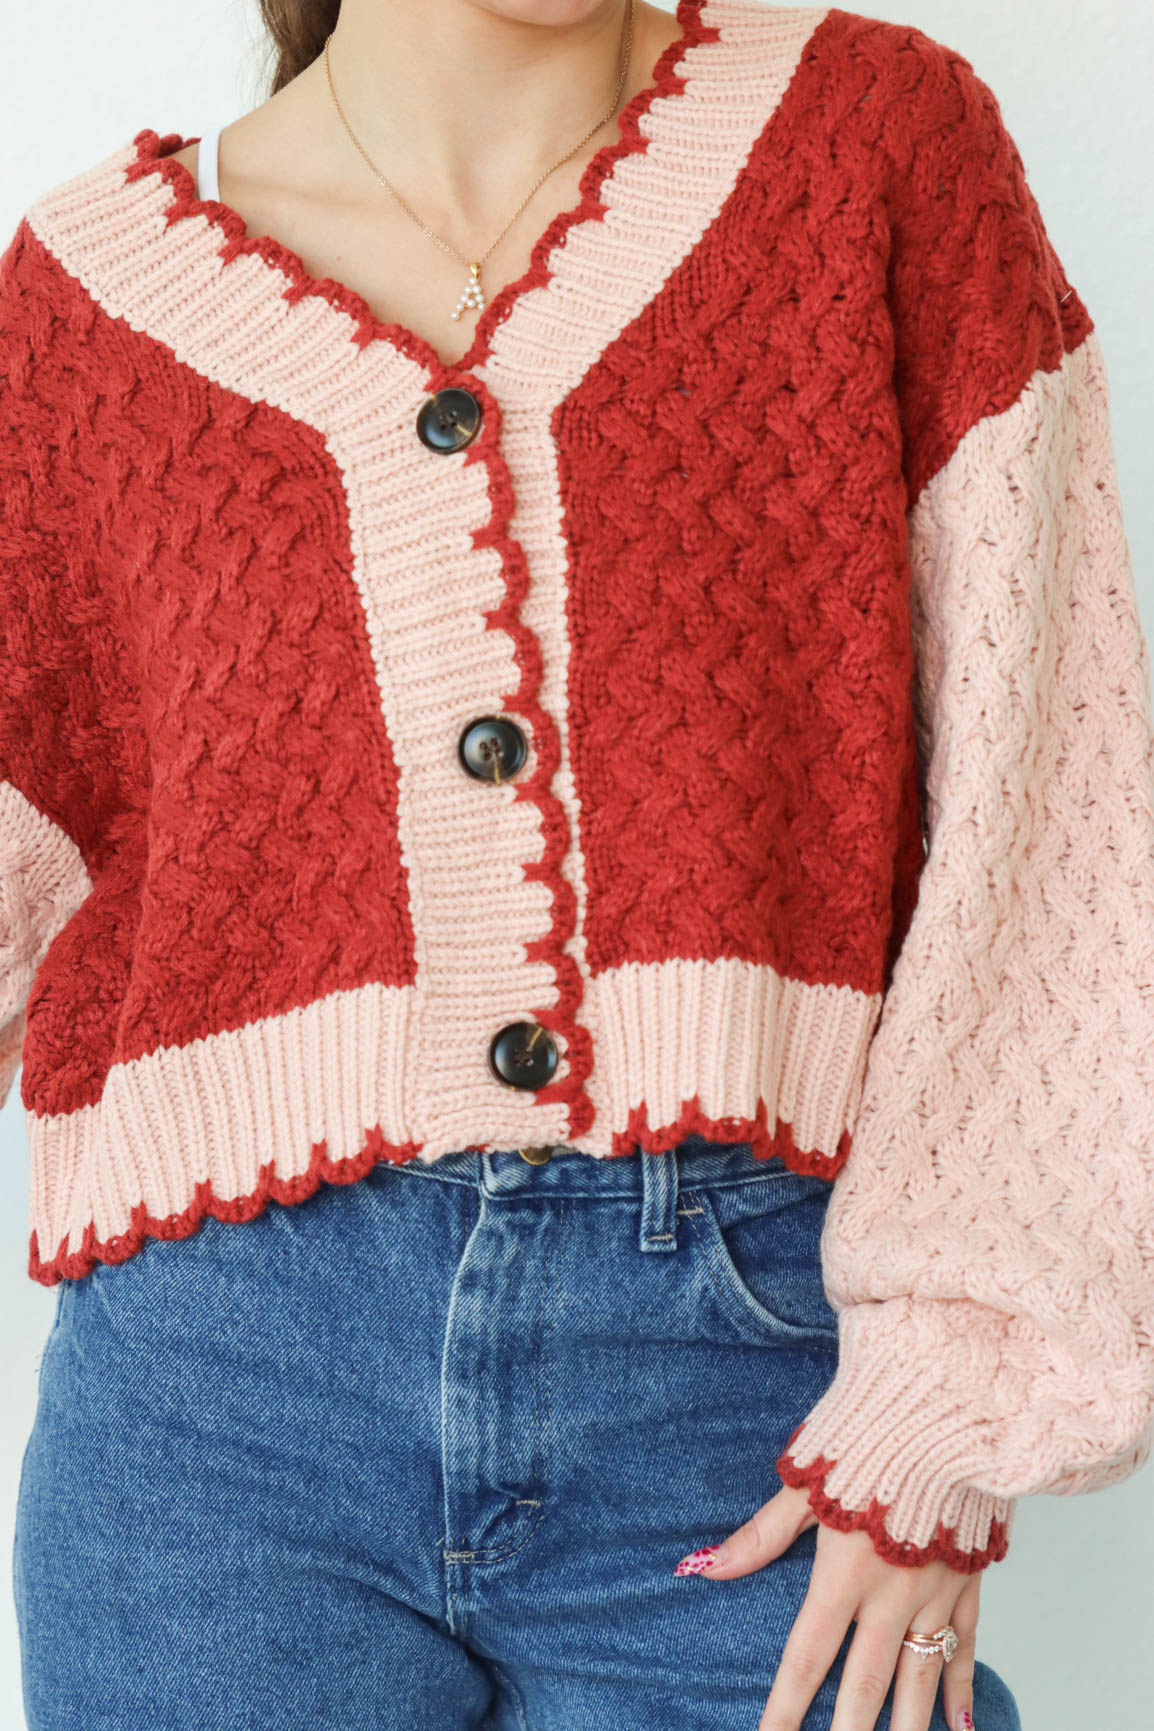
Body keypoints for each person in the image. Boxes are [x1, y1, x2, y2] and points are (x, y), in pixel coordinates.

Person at [3, 1, 1151, 1727]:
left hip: (744, 1382)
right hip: (219, 1418)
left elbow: (1057, 809)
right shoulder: (76, 309)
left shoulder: (871, 150)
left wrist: (950, 1402)